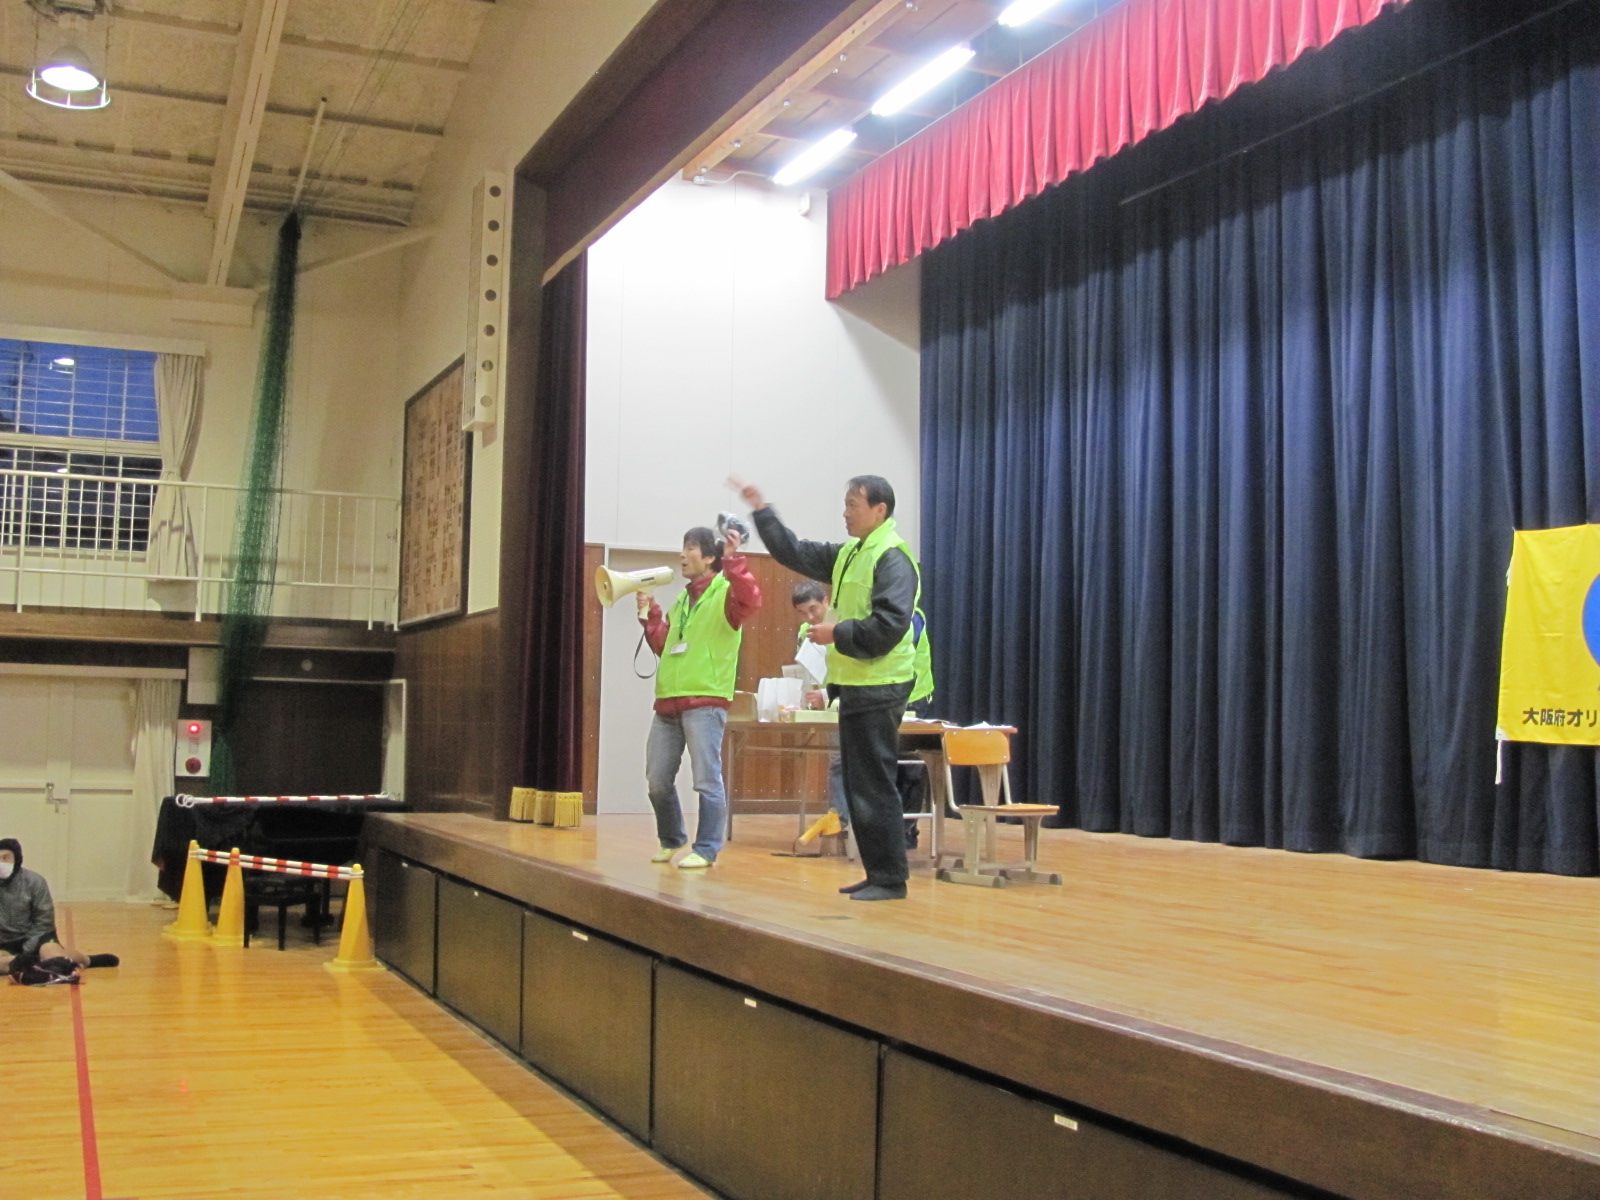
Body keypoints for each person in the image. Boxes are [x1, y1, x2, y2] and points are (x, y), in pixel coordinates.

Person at [740, 474, 921, 901]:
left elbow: (890, 625)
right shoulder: (850, 554)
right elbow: (794, 551)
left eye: (853, 505)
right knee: (859, 786)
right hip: (856, 686)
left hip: (880, 685)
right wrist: (763, 513)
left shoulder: (893, 558)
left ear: (880, 510)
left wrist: (836, 633)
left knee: (874, 785)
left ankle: (890, 879)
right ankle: (878, 873)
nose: (845, 512)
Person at [638, 523, 761, 869]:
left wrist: (734, 560)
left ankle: (706, 848)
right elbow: (664, 645)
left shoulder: (726, 593)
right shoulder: (681, 600)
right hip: (668, 701)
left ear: (709, 557)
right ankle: (672, 838)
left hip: (705, 701)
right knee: (657, 779)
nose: (682, 555)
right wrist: (652, 616)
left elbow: (751, 598)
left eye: (690, 548)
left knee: (707, 780)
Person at [0, 838, 117, 974]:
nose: (1, 863)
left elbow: (44, 923)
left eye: (5, 858)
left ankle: (86, 960)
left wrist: (27, 949)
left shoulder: (35, 882)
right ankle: (29, 963)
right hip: (5, 943)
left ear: (17, 859)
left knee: (52, 956)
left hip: (39, 938)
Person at [792, 581, 848, 834]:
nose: (809, 617)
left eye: (813, 609)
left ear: (826, 601)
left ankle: (845, 820)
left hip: (847, 698)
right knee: (836, 760)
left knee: (843, 761)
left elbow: (849, 668)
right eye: (802, 613)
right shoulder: (806, 631)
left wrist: (828, 693)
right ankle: (839, 819)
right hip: (828, 704)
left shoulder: (841, 624)